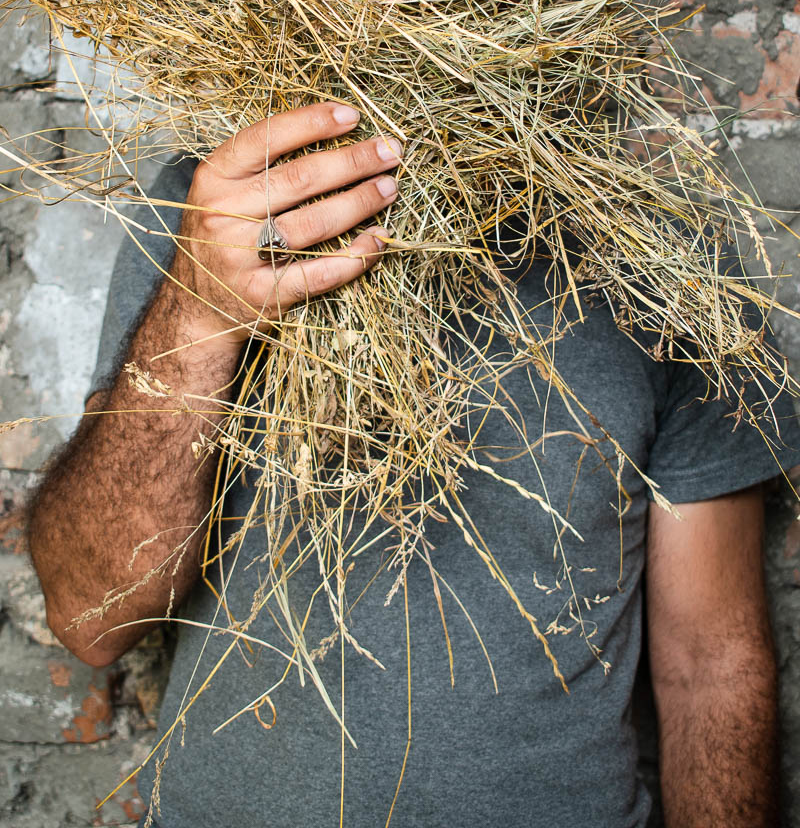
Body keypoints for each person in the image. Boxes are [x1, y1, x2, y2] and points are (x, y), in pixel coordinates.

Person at [26, 100, 800, 828]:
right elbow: (92, 619)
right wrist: (199, 309)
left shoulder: (656, 253)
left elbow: (712, 662)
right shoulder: (215, 203)